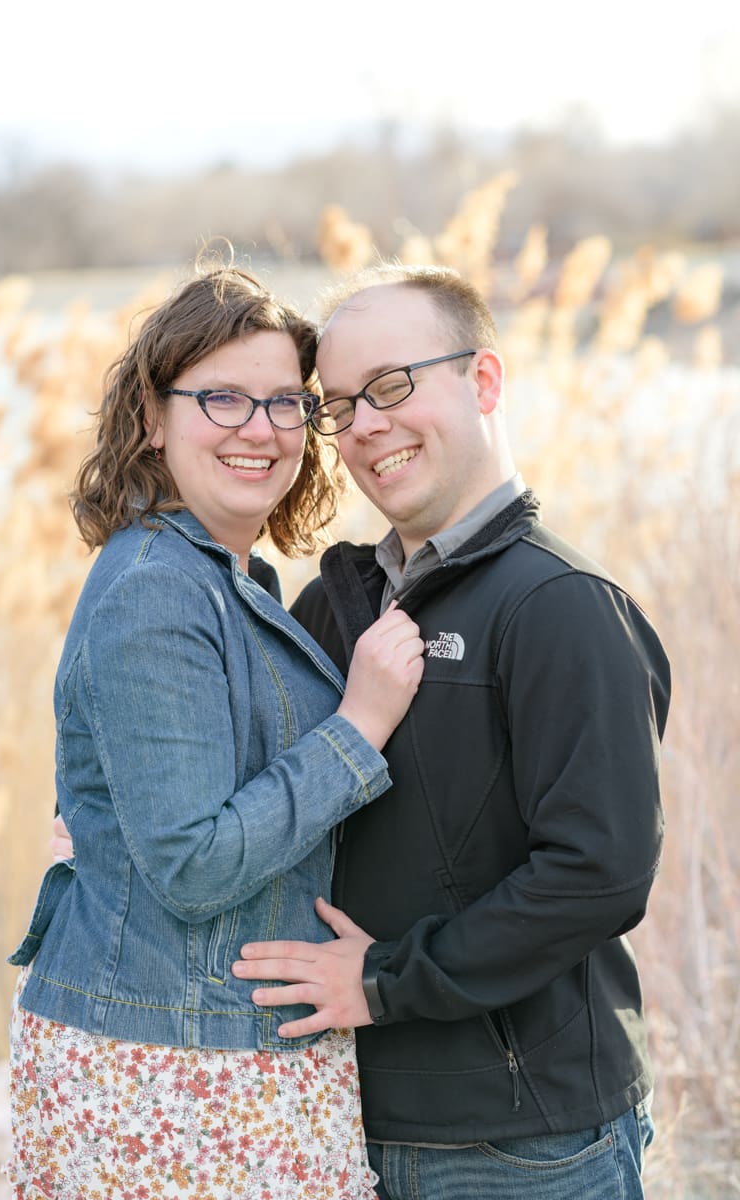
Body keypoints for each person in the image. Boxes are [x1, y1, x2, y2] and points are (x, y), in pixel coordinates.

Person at [231, 263, 672, 1199]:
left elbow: (599, 874)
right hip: (345, 1119)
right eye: (340, 406)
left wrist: (384, 982)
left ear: (484, 381)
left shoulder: (560, 606)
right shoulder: (333, 607)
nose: (366, 426)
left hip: (524, 1144)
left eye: (393, 386)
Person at [5, 262, 425, 1200]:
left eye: (284, 403)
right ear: (153, 419)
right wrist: (359, 726)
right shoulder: (159, 585)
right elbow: (192, 866)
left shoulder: (219, 579)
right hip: (167, 1072)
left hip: (216, 1053)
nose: (260, 430)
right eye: (222, 398)